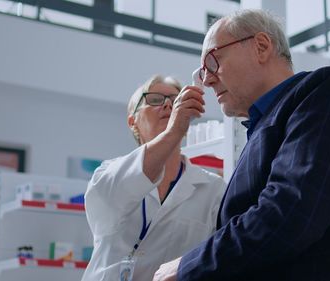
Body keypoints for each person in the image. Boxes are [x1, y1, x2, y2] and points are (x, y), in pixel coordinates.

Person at [154, 9, 330, 281]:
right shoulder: (266, 126)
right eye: (202, 73)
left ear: (261, 47)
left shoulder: (325, 91)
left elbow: (290, 212)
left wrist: (188, 266)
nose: (208, 79)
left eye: (212, 61)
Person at [81, 75, 226, 281]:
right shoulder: (107, 174)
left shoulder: (213, 189)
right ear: (133, 121)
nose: (168, 105)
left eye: (175, 100)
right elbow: (112, 197)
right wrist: (173, 130)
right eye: (155, 100)